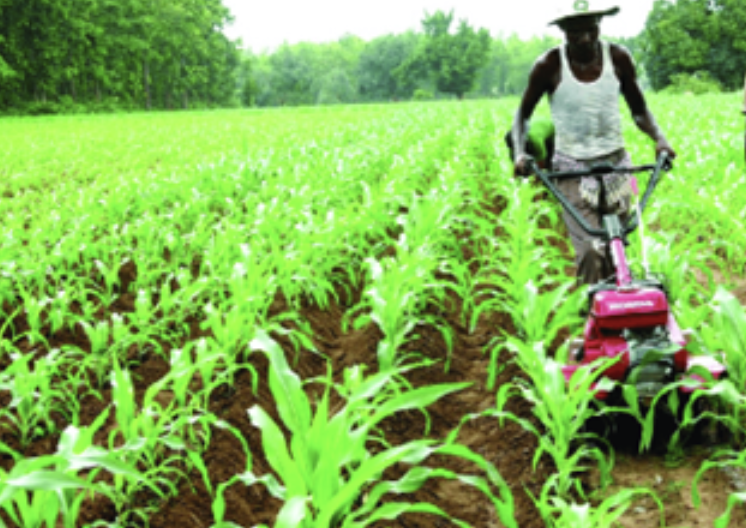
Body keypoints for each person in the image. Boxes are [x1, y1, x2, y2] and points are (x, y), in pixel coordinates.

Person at [511, 2, 676, 285]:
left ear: (600, 24)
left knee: (617, 245)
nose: (585, 38)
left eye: (591, 29)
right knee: (590, 249)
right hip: (571, 169)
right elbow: (522, 116)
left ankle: (622, 309)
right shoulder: (549, 65)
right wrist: (519, 152)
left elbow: (639, 109)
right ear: (563, 31)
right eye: (576, 32)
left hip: (616, 166)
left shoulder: (619, 58)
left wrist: (660, 139)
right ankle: (594, 311)